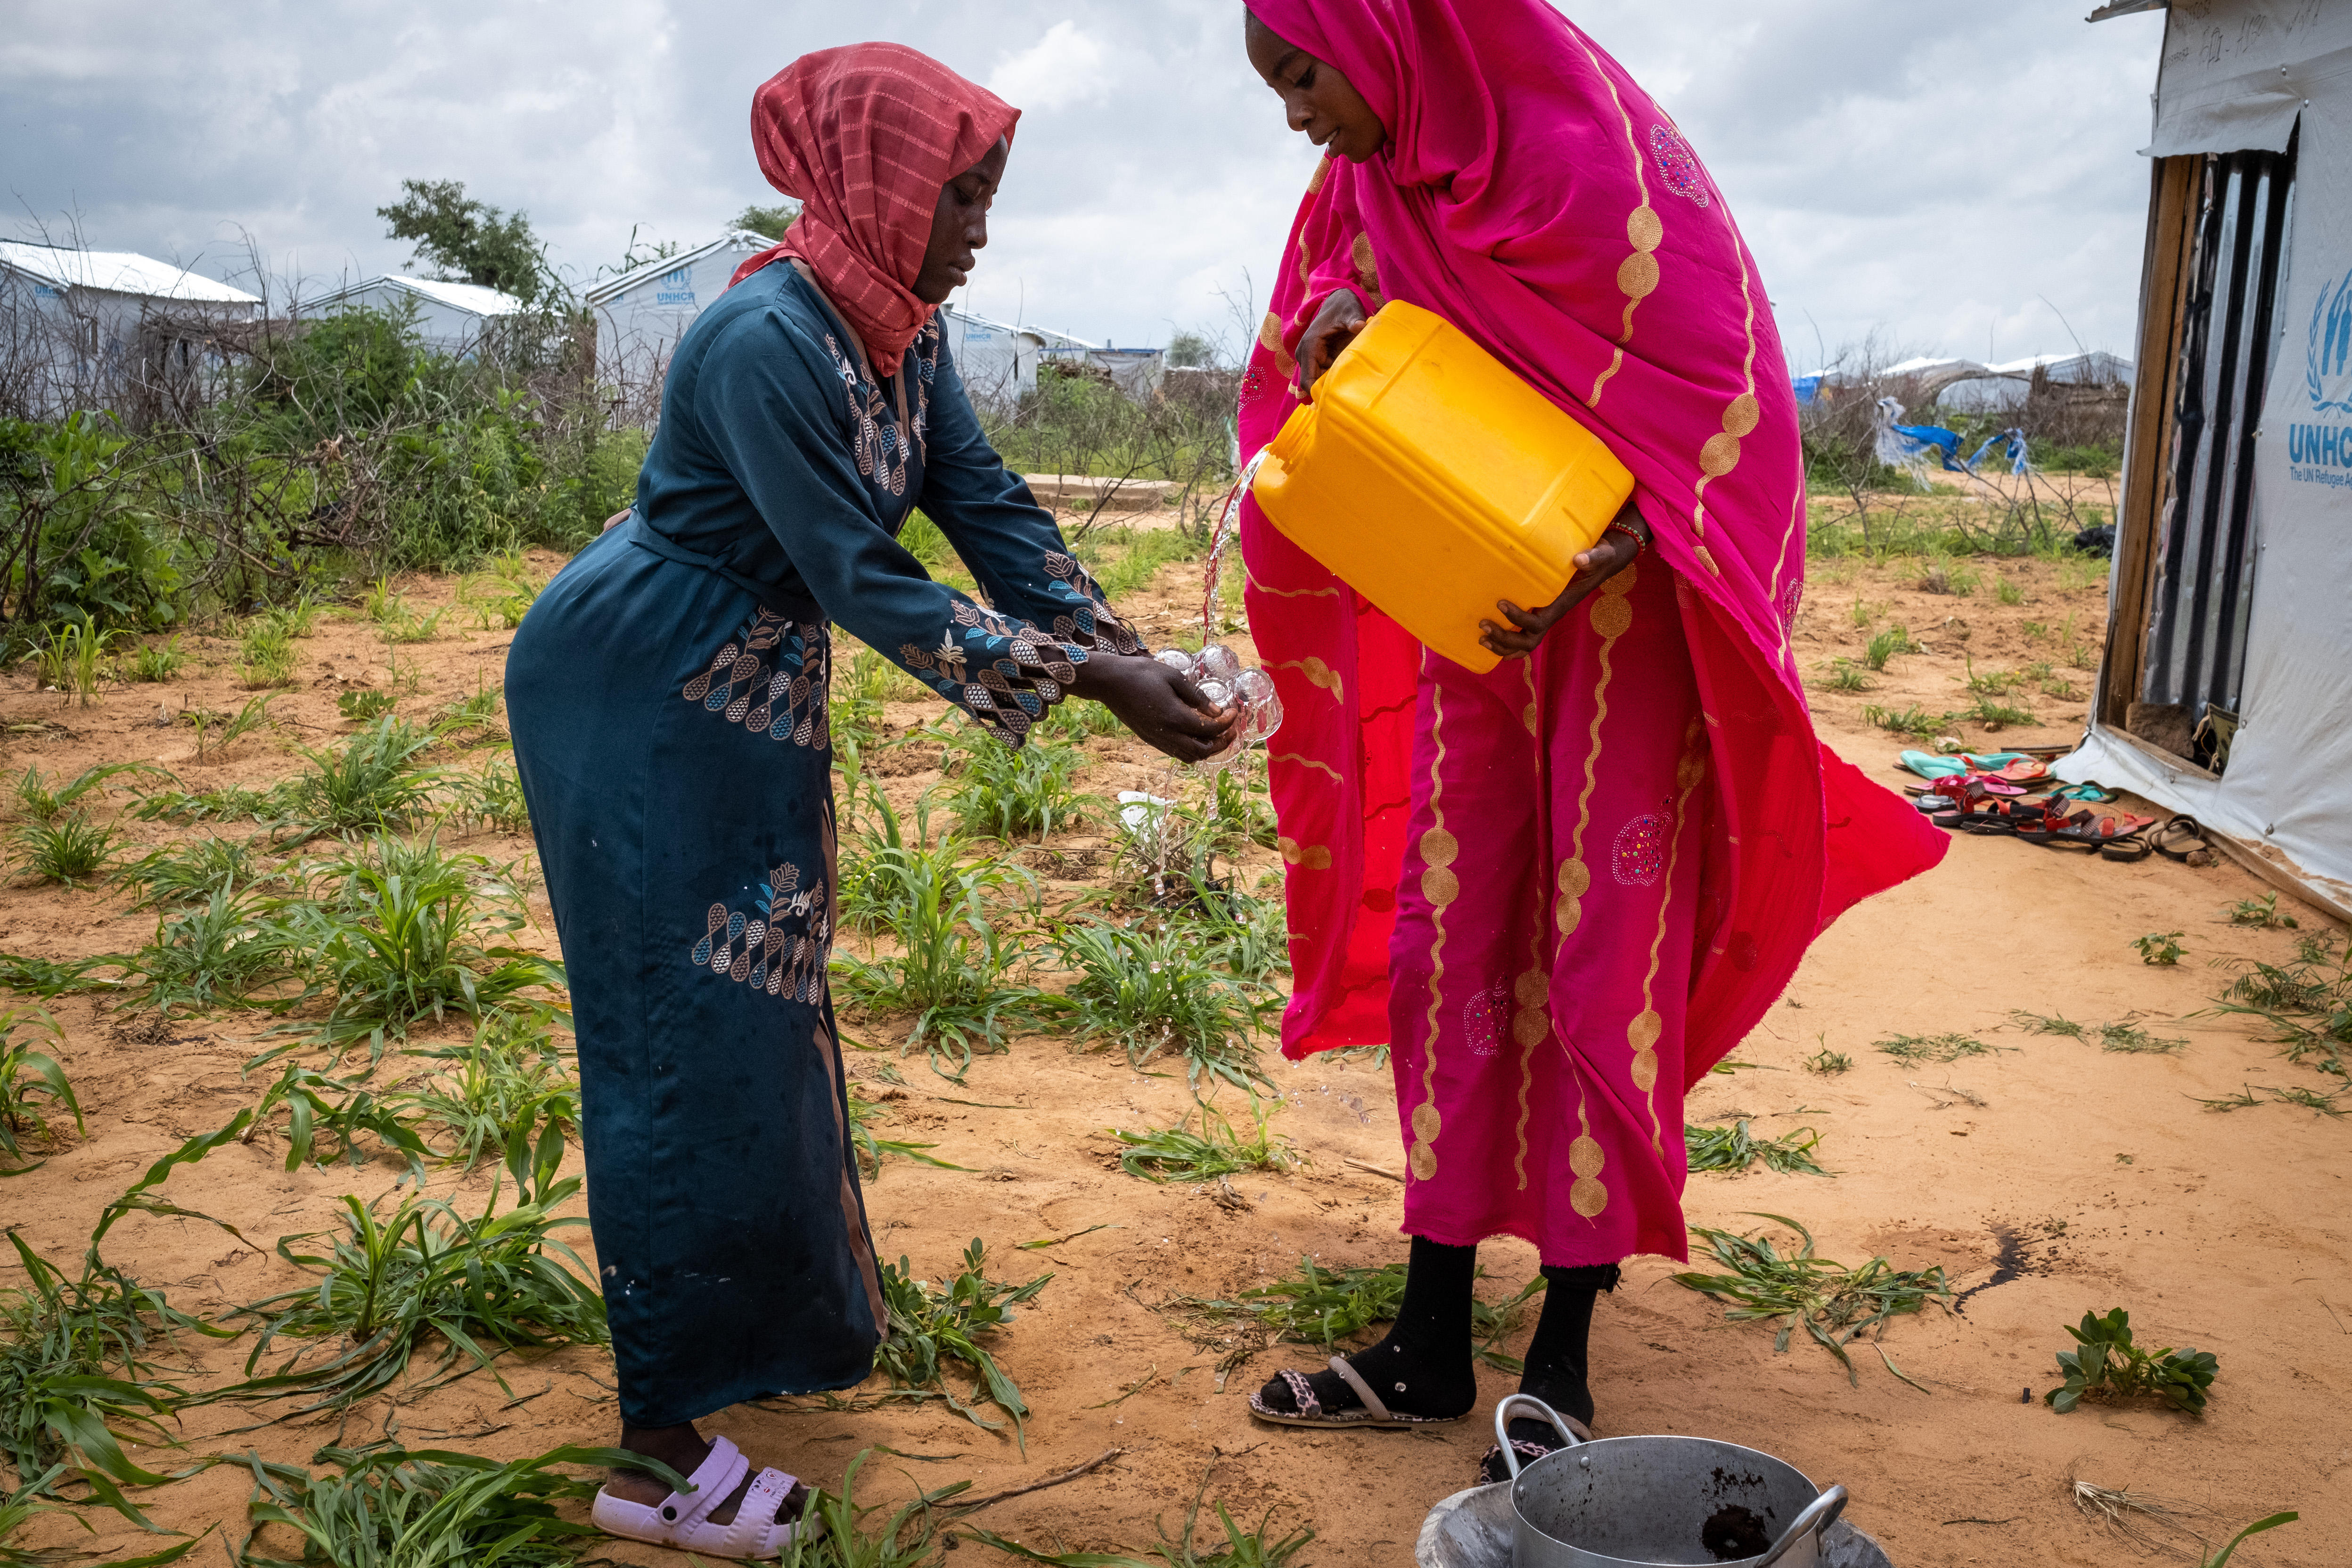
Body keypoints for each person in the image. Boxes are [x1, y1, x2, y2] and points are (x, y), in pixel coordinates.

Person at [506, 43, 1235, 1556]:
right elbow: (861, 572)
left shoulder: (900, 333)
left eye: (987, 197)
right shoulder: (763, 339)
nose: (979, 229)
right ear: (887, 183)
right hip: (638, 687)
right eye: (963, 196)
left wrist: (1124, 645)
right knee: (667, 1033)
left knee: (758, 1012)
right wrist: (1099, 691)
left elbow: (985, 507)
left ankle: (746, 1352)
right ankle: (652, 1449)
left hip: (743, 697)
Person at [1231, 1, 1945, 1482]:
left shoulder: (1584, 171)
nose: (1296, 113)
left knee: (1594, 959)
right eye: (1278, 84)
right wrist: (1335, 351)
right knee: (1449, 947)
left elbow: (1719, 400)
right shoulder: (1364, 187)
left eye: (1303, 72)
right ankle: (1429, 1339)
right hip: (1474, 623)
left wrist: (1621, 535)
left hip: (1628, 643)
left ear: (1384, 33)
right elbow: (1331, 364)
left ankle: (1562, 1359)